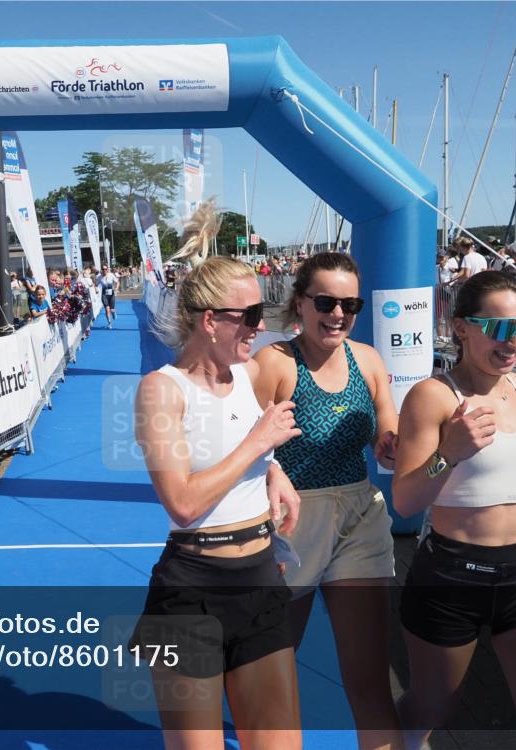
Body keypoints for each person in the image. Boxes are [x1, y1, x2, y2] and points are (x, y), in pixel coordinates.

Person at [134, 201, 302, 749]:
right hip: (192, 589)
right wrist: (259, 445)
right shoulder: (162, 390)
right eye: (251, 316)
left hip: (260, 576)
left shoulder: (251, 374)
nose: (261, 325)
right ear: (211, 321)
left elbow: (251, 442)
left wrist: (274, 469)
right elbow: (181, 503)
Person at [393, 270, 516, 750]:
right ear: (461, 329)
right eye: (499, 328)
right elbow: (407, 500)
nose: (515, 340)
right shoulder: (433, 396)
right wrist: (448, 452)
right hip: (451, 578)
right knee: (423, 712)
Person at [253, 251, 402, 750]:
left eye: (350, 302)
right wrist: (271, 469)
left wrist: (391, 441)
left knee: (369, 678)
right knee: (272, 672)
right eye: (326, 301)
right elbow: (237, 442)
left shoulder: (369, 360)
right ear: (300, 303)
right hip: (289, 523)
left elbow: (388, 423)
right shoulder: (274, 363)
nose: (339, 313)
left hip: (359, 515)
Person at [98, 264, 119, 329]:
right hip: (104, 295)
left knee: (112, 310)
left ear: (107, 269)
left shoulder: (111, 275)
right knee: (107, 310)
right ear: (101, 270)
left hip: (111, 295)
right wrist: (95, 288)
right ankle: (109, 323)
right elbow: (95, 284)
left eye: (106, 269)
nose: (104, 270)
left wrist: (116, 288)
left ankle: (114, 312)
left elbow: (117, 282)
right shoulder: (99, 277)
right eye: (103, 269)